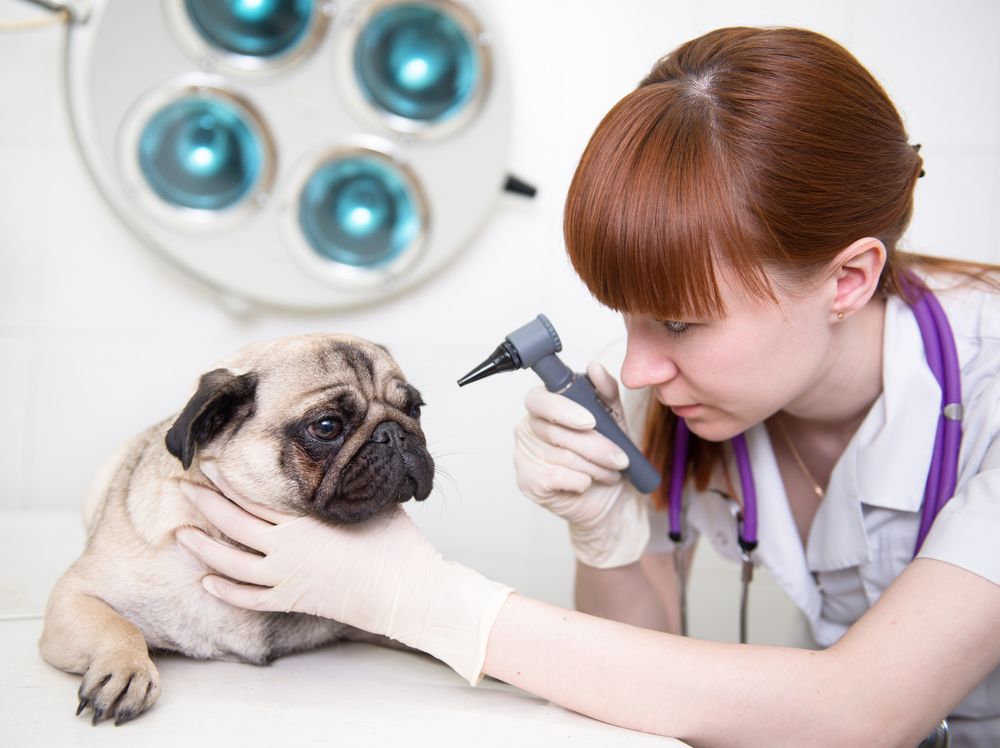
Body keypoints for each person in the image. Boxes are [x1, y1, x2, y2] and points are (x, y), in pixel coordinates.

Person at [175, 26, 1000, 746]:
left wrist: (426, 602)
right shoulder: (673, 388)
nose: (638, 368)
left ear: (849, 279)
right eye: (629, 318)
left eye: (678, 323)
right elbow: (638, 688)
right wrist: (607, 536)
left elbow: (862, 711)